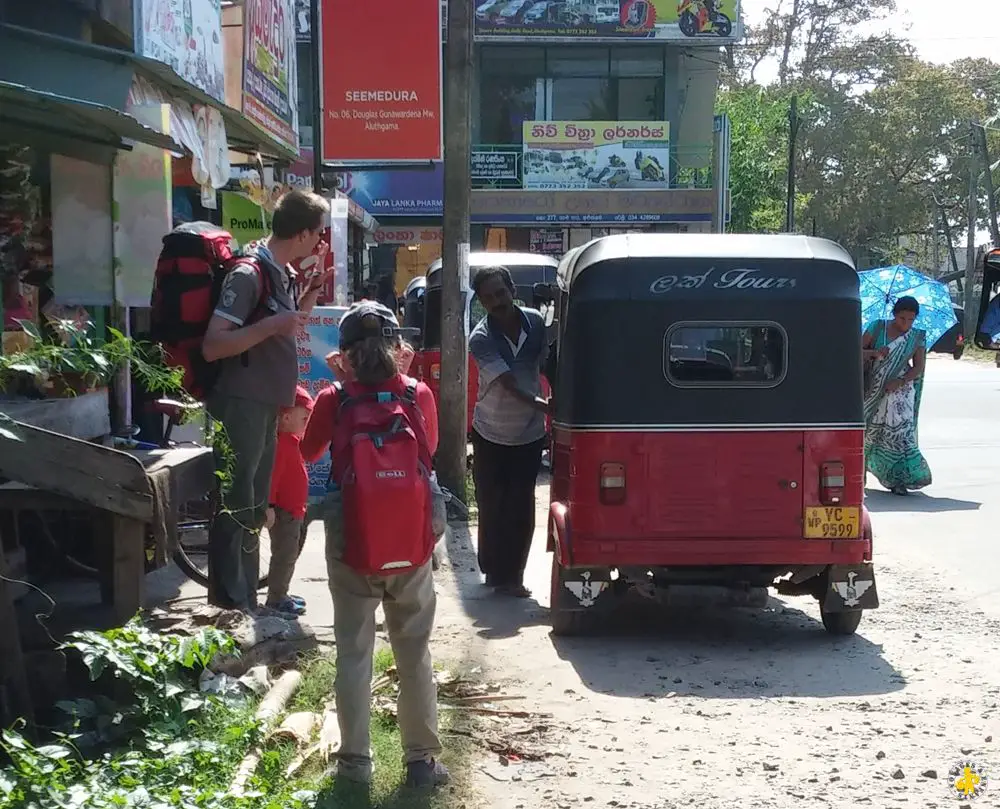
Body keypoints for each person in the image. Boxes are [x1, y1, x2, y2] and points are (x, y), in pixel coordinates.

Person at [301, 301, 448, 789]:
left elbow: (309, 452)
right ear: (396, 346)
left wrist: (337, 388)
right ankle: (422, 763)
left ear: (343, 354)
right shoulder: (417, 393)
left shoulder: (334, 398)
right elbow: (432, 449)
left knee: (354, 652)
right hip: (411, 539)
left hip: (352, 538)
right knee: (414, 653)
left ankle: (355, 766)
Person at [201, 188, 331, 612]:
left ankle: (247, 599)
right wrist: (274, 323)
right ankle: (230, 601)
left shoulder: (281, 272)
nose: (320, 242)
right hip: (242, 401)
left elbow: (285, 327)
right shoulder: (248, 273)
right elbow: (214, 345)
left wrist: (311, 290)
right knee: (237, 499)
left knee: (255, 503)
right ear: (305, 232)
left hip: (265, 404)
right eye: (318, 234)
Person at [468, 266, 549, 598]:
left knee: (520, 504)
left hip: (529, 434)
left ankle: (514, 576)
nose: (496, 302)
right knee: (491, 504)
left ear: (512, 290)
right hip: (490, 432)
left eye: (500, 293)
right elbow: (507, 384)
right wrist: (548, 407)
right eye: (488, 298)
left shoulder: (537, 323)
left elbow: (549, 363)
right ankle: (493, 571)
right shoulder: (481, 338)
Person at [862, 296, 931, 495]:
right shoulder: (877, 328)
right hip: (873, 389)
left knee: (900, 436)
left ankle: (898, 479)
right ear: (894, 315)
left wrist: (900, 382)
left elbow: (918, 366)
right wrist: (874, 353)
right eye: (902, 319)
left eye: (911, 320)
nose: (906, 324)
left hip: (901, 393)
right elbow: (854, 351)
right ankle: (860, 472)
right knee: (869, 433)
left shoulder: (917, 337)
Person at [263, 385, 314, 617]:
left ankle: (281, 593)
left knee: (289, 554)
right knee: (284, 556)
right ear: (285, 417)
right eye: (304, 418)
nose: (307, 423)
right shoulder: (281, 444)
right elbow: (272, 478)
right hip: (285, 511)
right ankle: (276, 598)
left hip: (294, 510)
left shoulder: (290, 441)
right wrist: (270, 506)